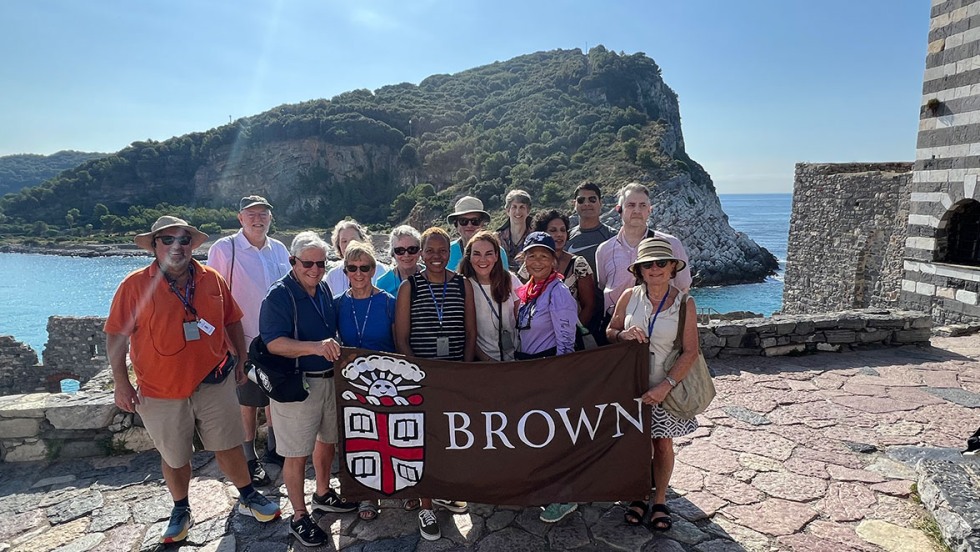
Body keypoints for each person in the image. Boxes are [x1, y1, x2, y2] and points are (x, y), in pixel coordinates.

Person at [105, 216, 281, 545]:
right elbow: (116, 337)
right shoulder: (134, 286)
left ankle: (248, 494)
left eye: (184, 240)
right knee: (175, 455)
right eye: (167, 240)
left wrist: (241, 358)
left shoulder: (211, 279)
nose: (177, 246)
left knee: (229, 444)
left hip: (213, 380)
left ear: (192, 245)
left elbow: (232, 320)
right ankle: (180, 508)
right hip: (160, 389)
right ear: (155, 245)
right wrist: (121, 382)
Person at [259, 231, 358, 547]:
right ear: (292, 262)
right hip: (298, 386)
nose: (315, 269)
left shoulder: (323, 288)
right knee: (296, 454)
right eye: (307, 264)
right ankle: (299, 516)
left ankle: (322, 494)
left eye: (320, 263)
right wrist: (316, 347)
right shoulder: (279, 295)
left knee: (327, 442)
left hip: (329, 381)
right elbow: (273, 343)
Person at [606, 237, 700, 532]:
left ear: (673, 267)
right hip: (631, 386)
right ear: (640, 270)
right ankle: (638, 494)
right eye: (648, 264)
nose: (655, 269)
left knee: (661, 444)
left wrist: (666, 385)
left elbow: (690, 351)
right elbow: (611, 330)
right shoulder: (629, 297)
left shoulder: (685, 302)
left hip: (664, 386)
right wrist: (623, 335)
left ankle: (659, 499)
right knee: (635, 444)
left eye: (661, 263)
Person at [395, 226, 474, 541]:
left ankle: (444, 491)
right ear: (422, 253)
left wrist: (465, 372)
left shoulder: (462, 284)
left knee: (449, 437)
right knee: (423, 442)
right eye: (430, 250)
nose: (437, 256)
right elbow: (401, 338)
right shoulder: (408, 287)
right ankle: (425, 507)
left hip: (454, 376)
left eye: (442, 250)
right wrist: (418, 375)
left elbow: (470, 332)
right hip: (421, 378)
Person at [207, 194, 290, 485]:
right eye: (251, 214)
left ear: (270, 218)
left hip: (277, 340)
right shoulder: (225, 248)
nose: (258, 219)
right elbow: (213, 297)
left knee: (274, 394)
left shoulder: (279, 249)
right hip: (243, 340)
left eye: (263, 214)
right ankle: (248, 456)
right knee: (247, 401)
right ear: (240, 218)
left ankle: (275, 448)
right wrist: (228, 343)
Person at [513, 232, 579, 524]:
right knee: (538, 436)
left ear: (554, 260)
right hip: (529, 371)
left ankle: (565, 497)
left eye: (543, 255)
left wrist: (560, 379)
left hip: (549, 369)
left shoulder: (557, 291)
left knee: (555, 438)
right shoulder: (529, 290)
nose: (536, 261)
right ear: (523, 259)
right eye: (531, 255)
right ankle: (544, 489)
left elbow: (566, 340)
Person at [334, 240, 396, 521]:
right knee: (360, 439)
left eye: (365, 267)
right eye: (352, 268)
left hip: (387, 379)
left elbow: (400, 342)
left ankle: (400, 488)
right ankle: (366, 495)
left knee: (391, 435)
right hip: (352, 381)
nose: (358, 273)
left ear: (373, 269)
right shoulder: (337, 304)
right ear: (345, 270)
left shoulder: (388, 302)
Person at [595, 183, 692, 325]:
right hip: (616, 325)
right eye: (631, 205)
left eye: (642, 205)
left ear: (649, 210)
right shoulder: (604, 250)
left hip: (660, 324)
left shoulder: (671, 244)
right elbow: (603, 285)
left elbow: (683, 287)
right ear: (619, 209)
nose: (637, 210)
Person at [519, 210, 595, 328]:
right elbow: (520, 299)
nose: (559, 234)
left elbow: (589, 305)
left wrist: (573, 332)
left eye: (563, 230)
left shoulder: (578, 264)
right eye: (553, 230)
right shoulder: (530, 265)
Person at [460, 230, 520, 361]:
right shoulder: (464, 286)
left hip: (517, 359)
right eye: (477, 254)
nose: (483, 260)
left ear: (496, 256)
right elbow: (466, 333)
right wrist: (489, 362)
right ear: (469, 257)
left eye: (488, 254)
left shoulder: (510, 280)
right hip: (484, 364)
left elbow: (522, 318)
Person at [446, 196, 508, 271]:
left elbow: (505, 280)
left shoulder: (498, 252)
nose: (469, 225)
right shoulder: (446, 251)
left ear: (482, 224)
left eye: (475, 221)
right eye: (463, 221)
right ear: (456, 224)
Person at [324, 219, 387, 292]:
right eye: (344, 241)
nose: (349, 244)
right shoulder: (332, 276)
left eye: (353, 239)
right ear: (338, 245)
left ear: (363, 241)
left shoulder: (380, 270)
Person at [566, 182, 615, 275]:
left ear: (600, 203)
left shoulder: (612, 237)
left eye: (592, 199)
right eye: (581, 200)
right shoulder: (566, 238)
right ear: (574, 204)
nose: (587, 204)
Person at [376, 225, 422, 295]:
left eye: (412, 249)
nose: (406, 255)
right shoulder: (383, 283)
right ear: (392, 253)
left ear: (420, 251)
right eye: (400, 250)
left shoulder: (432, 275)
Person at [496, 189, 532, 271]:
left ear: (528, 211)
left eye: (522, 207)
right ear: (507, 211)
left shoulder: (535, 237)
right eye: (514, 207)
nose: (518, 211)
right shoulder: (497, 238)